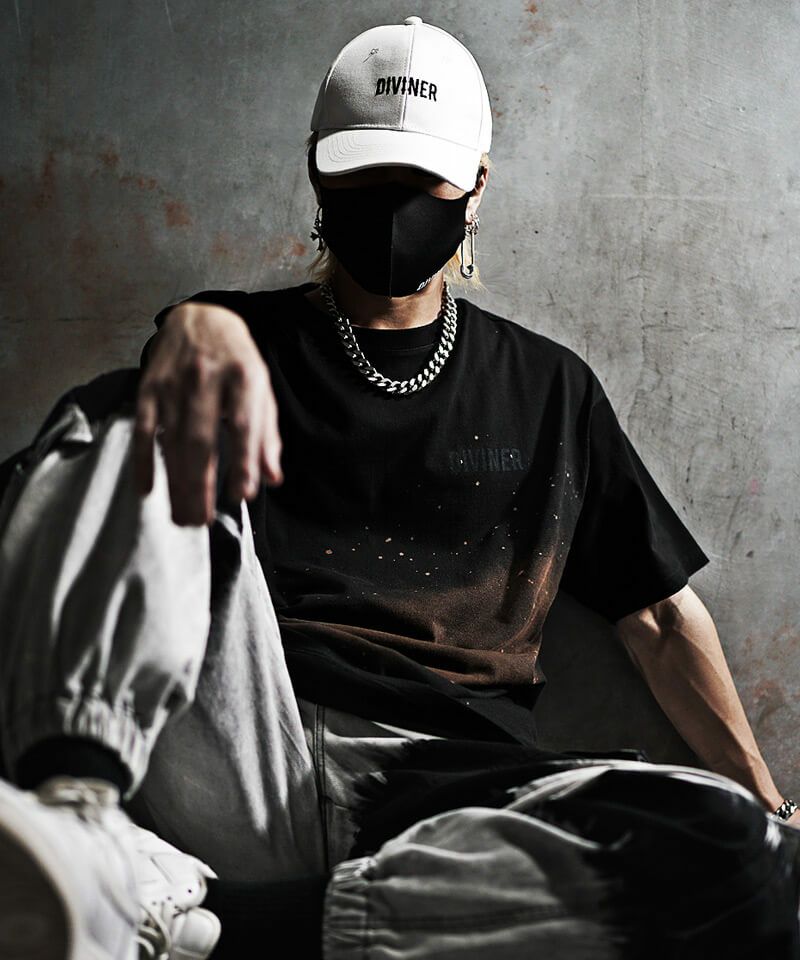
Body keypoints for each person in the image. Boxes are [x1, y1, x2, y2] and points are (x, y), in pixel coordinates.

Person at [0, 15, 798, 960]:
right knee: (132, 414)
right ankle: (75, 805)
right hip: (243, 738)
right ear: (317, 174)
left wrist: (773, 806)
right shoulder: (233, 344)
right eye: (361, 176)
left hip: (444, 793)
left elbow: (659, 619)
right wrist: (194, 329)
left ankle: (207, 927)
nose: (388, 206)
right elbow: (126, 481)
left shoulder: (549, 389)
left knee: (742, 861)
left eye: (418, 182)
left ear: (476, 186)